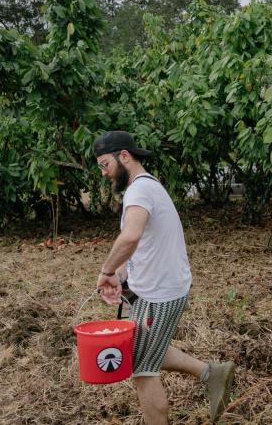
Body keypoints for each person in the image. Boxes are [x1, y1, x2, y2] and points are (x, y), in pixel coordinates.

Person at [93, 131, 234, 424]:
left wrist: (106, 271)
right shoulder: (145, 187)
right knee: (144, 346)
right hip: (160, 287)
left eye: (105, 164)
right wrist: (120, 276)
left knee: (143, 369)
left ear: (124, 156)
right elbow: (140, 246)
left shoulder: (139, 191)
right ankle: (211, 373)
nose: (104, 173)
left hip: (160, 294)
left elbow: (130, 237)